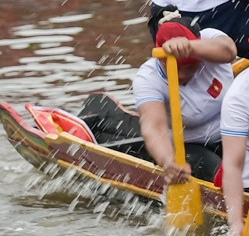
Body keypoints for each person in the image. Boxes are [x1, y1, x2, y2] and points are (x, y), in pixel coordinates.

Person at [78, 21, 235, 186]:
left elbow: (230, 50)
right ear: (160, 59)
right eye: (175, 68)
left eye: (189, 67)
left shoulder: (210, 39)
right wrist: (168, 162)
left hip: (232, 133)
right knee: (220, 174)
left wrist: (190, 47)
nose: (181, 75)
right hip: (189, 145)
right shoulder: (148, 77)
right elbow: (154, 127)